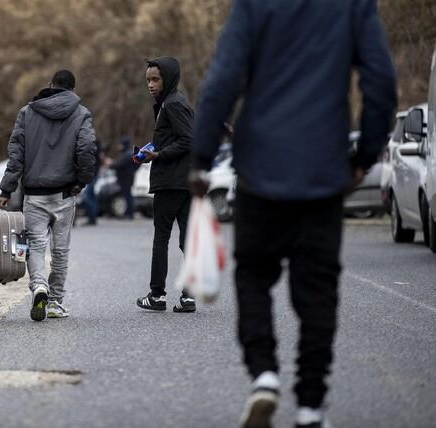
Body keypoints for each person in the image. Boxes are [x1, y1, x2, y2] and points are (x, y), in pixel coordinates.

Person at [191, 1, 397, 427]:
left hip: (259, 170)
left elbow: (223, 79)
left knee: (253, 276)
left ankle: (264, 374)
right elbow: (380, 80)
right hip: (323, 171)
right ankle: (310, 406)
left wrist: (202, 157)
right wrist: (364, 155)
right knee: (318, 291)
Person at [0, 69, 97, 321]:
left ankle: (39, 286)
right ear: (73, 89)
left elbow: (16, 155)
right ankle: (54, 302)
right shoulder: (81, 113)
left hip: (34, 195)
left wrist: (7, 189)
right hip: (64, 193)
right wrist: (82, 181)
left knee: (36, 246)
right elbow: (86, 148)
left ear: (50, 84)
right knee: (61, 250)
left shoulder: (27, 113)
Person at [135, 57, 196, 314]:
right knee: (187, 240)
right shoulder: (171, 103)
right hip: (183, 181)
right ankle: (189, 297)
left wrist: (159, 155)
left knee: (162, 239)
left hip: (171, 182)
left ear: (168, 79)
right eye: (148, 80)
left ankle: (157, 295)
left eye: (155, 79)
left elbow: (189, 140)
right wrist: (152, 151)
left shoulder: (172, 104)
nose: (150, 84)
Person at [111, 137, 138, 219]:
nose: (118, 146)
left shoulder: (127, 154)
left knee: (127, 196)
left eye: (120, 144)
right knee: (127, 195)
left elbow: (118, 164)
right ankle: (129, 212)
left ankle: (130, 213)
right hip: (127, 178)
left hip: (126, 178)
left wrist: (111, 164)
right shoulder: (128, 153)